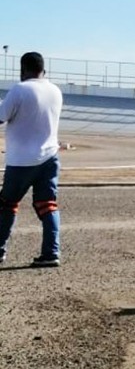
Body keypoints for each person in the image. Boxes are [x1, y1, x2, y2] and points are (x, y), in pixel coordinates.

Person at [0, 52, 64, 267]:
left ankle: (0, 250)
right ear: (43, 70)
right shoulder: (55, 91)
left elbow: (1, 117)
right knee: (48, 206)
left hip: (21, 161)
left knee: (7, 205)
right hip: (50, 157)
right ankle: (51, 253)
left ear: (22, 69)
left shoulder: (20, 89)